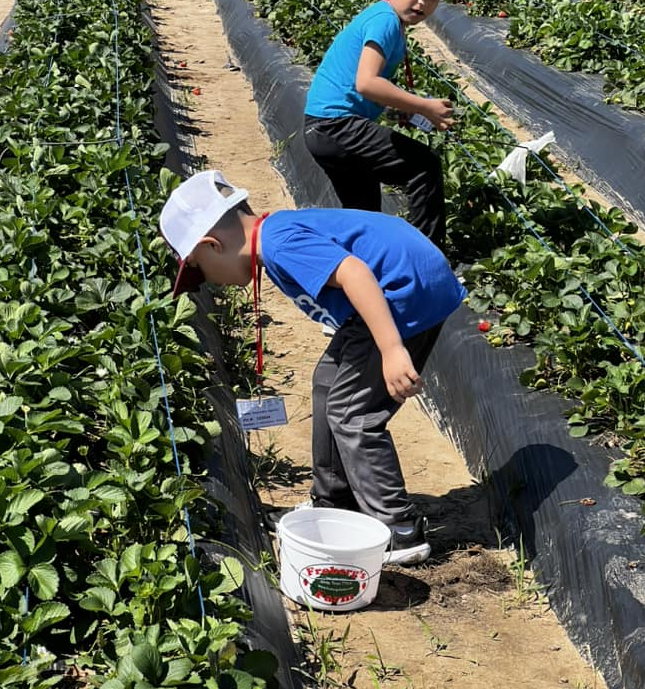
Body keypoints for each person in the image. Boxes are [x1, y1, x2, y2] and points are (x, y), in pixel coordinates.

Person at [160, 169, 466, 566]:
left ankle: (398, 528)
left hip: (404, 294)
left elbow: (355, 273)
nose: (209, 282)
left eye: (201, 270)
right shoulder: (275, 233)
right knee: (328, 381)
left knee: (353, 413)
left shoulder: (280, 245)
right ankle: (334, 499)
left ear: (212, 245)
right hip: (398, 287)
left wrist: (391, 349)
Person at [303, 0, 455, 253]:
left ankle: (360, 270)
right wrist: (424, 106)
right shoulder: (385, 21)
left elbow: (367, 89)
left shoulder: (385, 19)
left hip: (322, 128)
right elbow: (367, 83)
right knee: (424, 167)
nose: (423, 2)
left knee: (365, 216)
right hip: (336, 125)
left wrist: (397, 109)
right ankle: (427, 259)